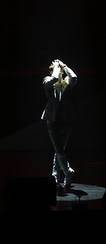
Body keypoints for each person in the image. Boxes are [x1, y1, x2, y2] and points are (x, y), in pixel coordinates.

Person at [42, 59, 77, 191]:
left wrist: (65, 66)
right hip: (52, 120)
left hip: (66, 119)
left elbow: (74, 77)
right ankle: (67, 171)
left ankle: (56, 178)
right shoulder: (47, 80)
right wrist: (57, 67)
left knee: (59, 150)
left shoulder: (67, 82)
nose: (59, 71)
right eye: (57, 69)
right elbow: (54, 78)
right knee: (58, 149)